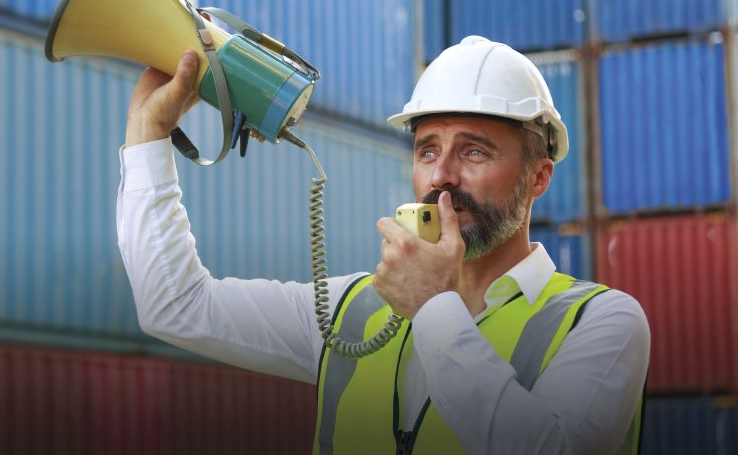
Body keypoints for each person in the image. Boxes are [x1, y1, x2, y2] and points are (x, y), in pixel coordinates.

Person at [117, 36, 650, 455]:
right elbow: (177, 307)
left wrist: (433, 307)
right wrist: (148, 136)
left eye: (475, 152)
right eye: (426, 150)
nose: (441, 175)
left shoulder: (601, 322)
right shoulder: (348, 313)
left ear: (538, 177)